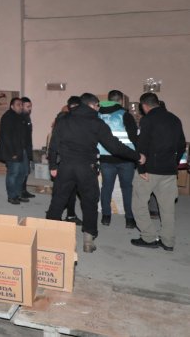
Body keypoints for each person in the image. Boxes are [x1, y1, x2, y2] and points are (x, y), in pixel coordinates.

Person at [46, 93, 142, 253]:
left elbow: (53, 145)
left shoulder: (64, 120)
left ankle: (49, 236)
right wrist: (137, 156)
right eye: (98, 106)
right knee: (89, 202)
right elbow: (114, 147)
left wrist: (52, 166)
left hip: (66, 167)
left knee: (58, 199)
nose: (99, 109)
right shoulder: (97, 123)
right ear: (92, 105)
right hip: (86, 168)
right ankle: (88, 241)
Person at [131, 93, 185, 251]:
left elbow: (141, 145)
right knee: (167, 208)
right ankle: (168, 242)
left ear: (144, 106)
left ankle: (148, 237)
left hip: (149, 170)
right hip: (169, 170)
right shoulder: (175, 119)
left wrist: (141, 168)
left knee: (139, 204)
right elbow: (181, 145)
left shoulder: (147, 120)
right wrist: (174, 163)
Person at [97, 89, 139, 229]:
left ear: (108, 99)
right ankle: (129, 219)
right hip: (125, 158)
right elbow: (134, 137)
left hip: (105, 158)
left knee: (106, 187)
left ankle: (106, 217)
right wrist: (137, 156)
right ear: (121, 101)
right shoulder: (125, 115)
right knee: (127, 188)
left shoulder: (98, 114)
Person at [51, 96, 83, 225]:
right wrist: (53, 165)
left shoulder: (62, 119)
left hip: (65, 161)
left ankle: (68, 215)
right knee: (63, 192)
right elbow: (55, 145)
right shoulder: (64, 120)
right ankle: (55, 216)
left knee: (68, 191)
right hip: (64, 161)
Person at [0, 97, 29, 205]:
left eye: (21, 104)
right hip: (13, 151)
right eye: (18, 104)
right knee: (13, 173)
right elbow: (6, 137)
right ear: (12, 106)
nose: (21, 106)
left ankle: (18, 194)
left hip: (22, 150)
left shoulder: (21, 116)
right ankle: (12, 196)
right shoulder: (8, 117)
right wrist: (12, 153)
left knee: (23, 172)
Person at [20, 97, 35, 199]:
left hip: (27, 147)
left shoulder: (27, 117)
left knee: (26, 171)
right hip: (22, 149)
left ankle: (23, 190)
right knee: (22, 171)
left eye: (30, 106)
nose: (30, 108)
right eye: (28, 106)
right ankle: (20, 192)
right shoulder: (19, 118)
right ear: (21, 106)